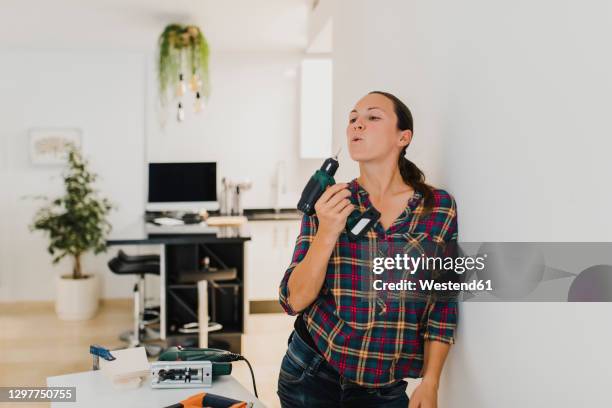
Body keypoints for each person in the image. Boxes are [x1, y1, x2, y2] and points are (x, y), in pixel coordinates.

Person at [277, 91, 459, 408]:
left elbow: (441, 304)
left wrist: (430, 382)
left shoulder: (437, 208)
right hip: (311, 373)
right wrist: (327, 231)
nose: (356, 125)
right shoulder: (329, 203)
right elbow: (293, 300)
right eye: (352, 119)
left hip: (383, 390)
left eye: (372, 117)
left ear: (404, 137)